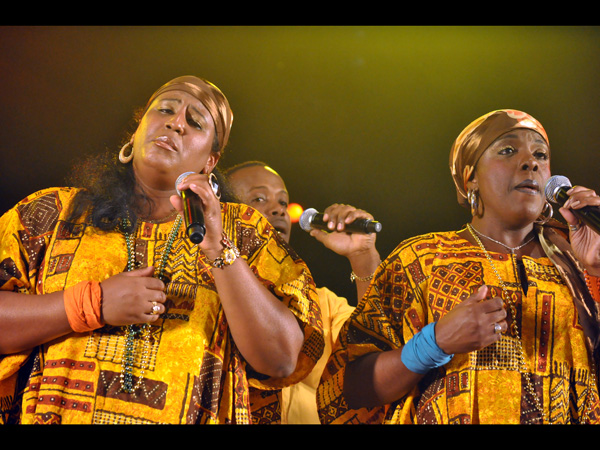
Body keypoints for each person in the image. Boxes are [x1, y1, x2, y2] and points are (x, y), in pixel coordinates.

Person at [0, 76, 324, 424]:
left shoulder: (245, 230)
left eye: (196, 122)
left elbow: (281, 359)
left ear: (210, 162)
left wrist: (217, 247)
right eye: (165, 109)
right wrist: (92, 303)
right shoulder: (53, 213)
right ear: (136, 133)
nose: (176, 122)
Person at [317, 109, 600, 424]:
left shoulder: (576, 261)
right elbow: (349, 389)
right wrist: (434, 342)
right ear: (470, 178)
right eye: (508, 150)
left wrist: (595, 269)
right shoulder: (423, 259)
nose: (530, 162)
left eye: (540, 155)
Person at [225, 161, 381, 424]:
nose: (278, 210)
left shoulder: (322, 304)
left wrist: (363, 255)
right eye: (259, 198)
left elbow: (380, 347)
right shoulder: (205, 294)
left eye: (283, 202)